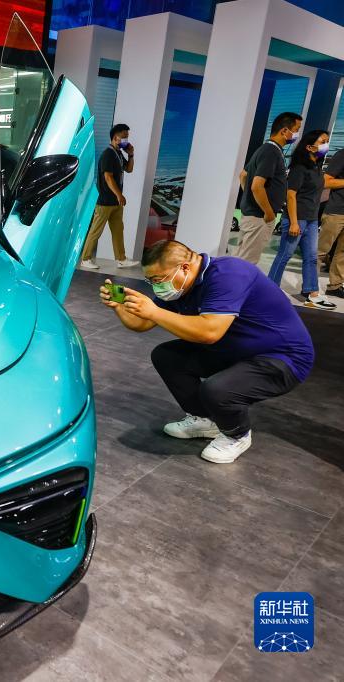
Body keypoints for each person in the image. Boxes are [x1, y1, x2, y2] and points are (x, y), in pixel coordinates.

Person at [99, 239, 313, 464]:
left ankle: (236, 435)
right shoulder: (180, 287)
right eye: (150, 281)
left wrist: (154, 312)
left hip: (283, 357)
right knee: (167, 357)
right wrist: (119, 307)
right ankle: (206, 420)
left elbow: (209, 332)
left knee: (216, 390)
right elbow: (141, 324)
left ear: (184, 268)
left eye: (157, 280)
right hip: (234, 350)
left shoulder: (230, 274)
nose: (155, 286)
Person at [267, 129, 336, 309]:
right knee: (284, 255)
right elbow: (291, 195)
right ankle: (269, 291)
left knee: (311, 257)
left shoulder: (317, 167)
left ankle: (312, 293)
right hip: (297, 219)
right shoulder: (299, 168)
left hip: (312, 220)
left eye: (327, 141)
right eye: (323, 141)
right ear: (309, 147)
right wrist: (294, 222)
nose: (326, 145)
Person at [236, 112, 303, 264]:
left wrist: (250, 199)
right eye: (296, 129)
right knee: (247, 264)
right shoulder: (271, 152)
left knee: (241, 260)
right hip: (260, 217)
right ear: (284, 131)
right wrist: (268, 212)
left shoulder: (266, 149)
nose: (297, 134)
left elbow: (243, 175)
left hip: (253, 215)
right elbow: (257, 186)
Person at [81, 124, 139, 270]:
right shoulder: (108, 154)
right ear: (115, 137)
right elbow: (108, 177)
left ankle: (121, 259)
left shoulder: (118, 153)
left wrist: (131, 154)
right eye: (124, 137)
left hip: (116, 202)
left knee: (118, 230)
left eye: (127, 137)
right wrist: (119, 195)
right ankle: (85, 259)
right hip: (105, 201)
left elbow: (129, 169)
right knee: (96, 231)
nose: (126, 140)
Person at [318, 147, 344, 298]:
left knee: (342, 253)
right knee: (321, 251)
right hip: (336, 212)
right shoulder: (342, 154)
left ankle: (335, 286)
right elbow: (326, 181)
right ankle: (309, 285)